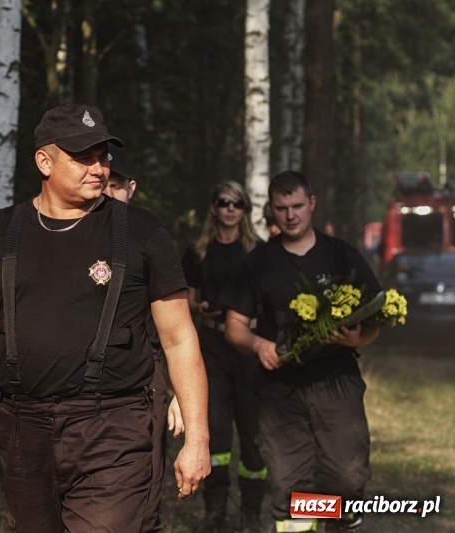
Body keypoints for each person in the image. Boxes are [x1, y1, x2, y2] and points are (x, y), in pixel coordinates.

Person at [0, 103, 211, 532]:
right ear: (44, 162)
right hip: (22, 427)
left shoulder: (143, 232)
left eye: (102, 156)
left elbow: (180, 338)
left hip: (114, 427)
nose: (98, 167)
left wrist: (198, 438)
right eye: (82, 156)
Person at [222, 170, 381, 533]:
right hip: (279, 391)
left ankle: (337, 521)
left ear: (312, 204)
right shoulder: (257, 262)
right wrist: (258, 343)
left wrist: (356, 339)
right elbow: (234, 328)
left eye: (297, 206)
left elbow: (375, 321)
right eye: (282, 208)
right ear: (271, 211)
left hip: (336, 382)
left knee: (345, 475)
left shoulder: (342, 255)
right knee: (291, 486)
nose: (291, 215)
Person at [102, 144, 182, 533]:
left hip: (144, 377)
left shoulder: (149, 238)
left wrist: (178, 393)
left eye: (116, 186)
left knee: (145, 496)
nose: (108, 193)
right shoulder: (62, 235)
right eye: (103, 184)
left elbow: (175, 332)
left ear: (130, 188)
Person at [182, 181, 266, 533]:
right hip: (211, 348)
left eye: (237, 204)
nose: (230, 209)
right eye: (223, 202)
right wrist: (198, 307)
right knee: (215, 432)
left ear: (245, 210)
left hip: (247, 349)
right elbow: (183, 298)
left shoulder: (259, 251)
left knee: (251, 432)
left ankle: (250, 513)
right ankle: (214, 509)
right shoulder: (197, 252)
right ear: (213, 208)